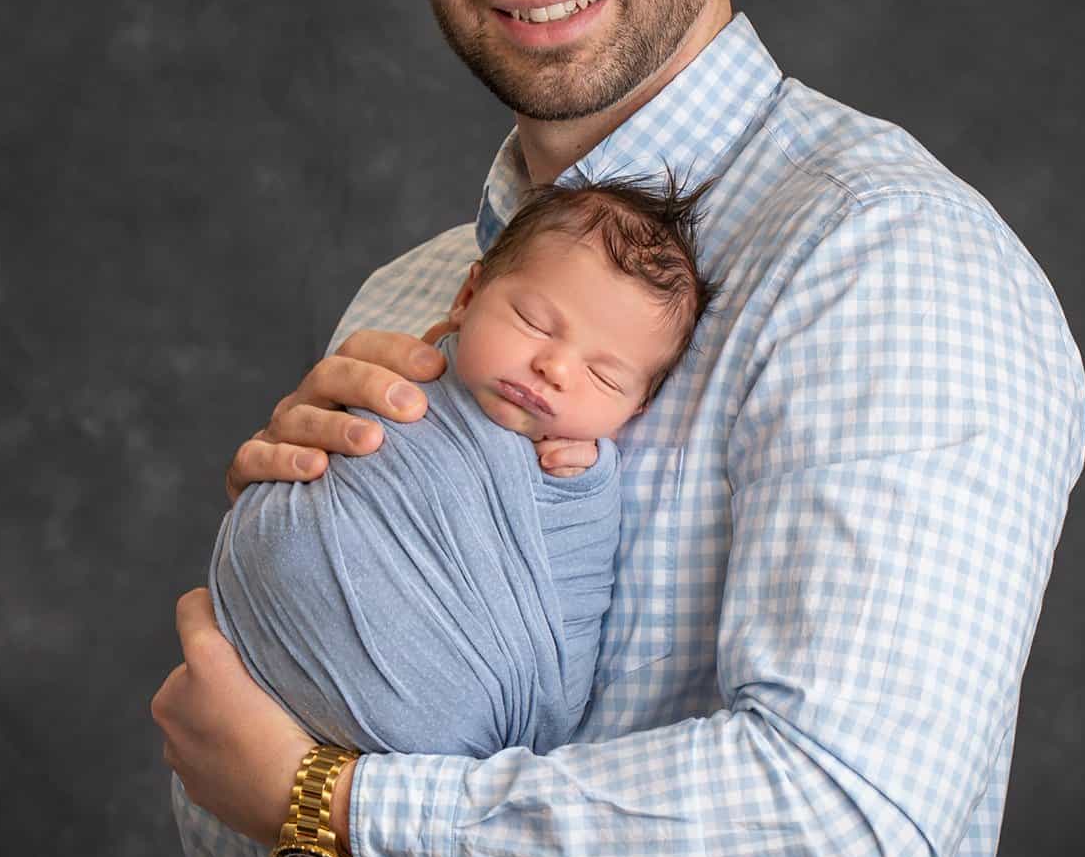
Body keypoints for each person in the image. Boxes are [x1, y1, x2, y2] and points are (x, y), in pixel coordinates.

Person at [152, 0, 1085, 857]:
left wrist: (339, 805)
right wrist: (300, 593)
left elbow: (847, 830)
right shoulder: (406, 298)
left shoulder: (884, 261)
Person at [207, 176, 717, 768]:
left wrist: (584, 492)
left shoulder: (582, 481)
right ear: (468, 297)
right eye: (534, 322)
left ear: (638, 409)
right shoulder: (396, 370)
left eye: (604, 377)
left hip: (414, 743)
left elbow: (571, 619)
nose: (554, 366)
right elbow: (314, 467)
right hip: (248, 642)